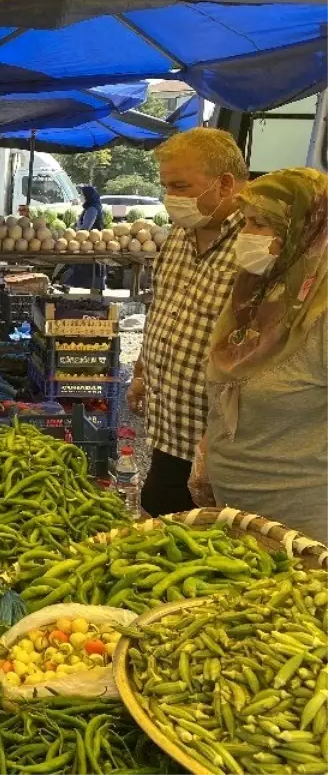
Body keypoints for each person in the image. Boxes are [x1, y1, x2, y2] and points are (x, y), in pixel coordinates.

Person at [193, 169, 328, 538]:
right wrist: (209, 449)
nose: (247, 236)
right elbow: (228, 385)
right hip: (232, 509)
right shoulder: (253, 296)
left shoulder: (320, 315)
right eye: (247, 222)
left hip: (303, 524)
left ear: (305, 227)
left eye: (262, 224)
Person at [129, 129, 247, 516]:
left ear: (225, 183)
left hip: (219, 445)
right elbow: (162, 307)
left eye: (180, 185)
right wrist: (142, 372)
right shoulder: (180, 236)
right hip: (169, 430)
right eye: (166, 186)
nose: (170, 198)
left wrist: (215, 442)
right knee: (160, 515)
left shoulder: (259, 244)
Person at [66, 184, 106, 290]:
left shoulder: (92, 209)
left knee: (87, 270)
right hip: (89, 244)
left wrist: (76, 229)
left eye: (82, 194)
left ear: (88, 196)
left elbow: (85, 228)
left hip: (90, 244)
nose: (80, 196)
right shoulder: (91, 207)